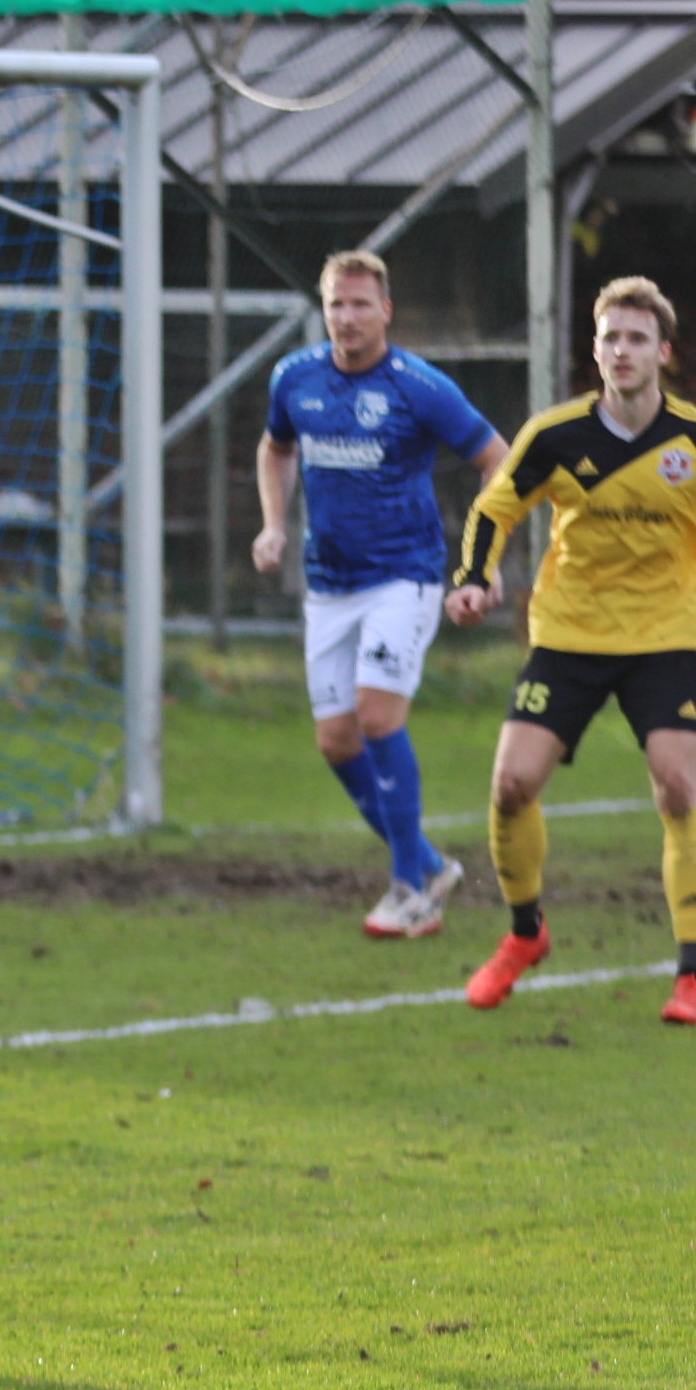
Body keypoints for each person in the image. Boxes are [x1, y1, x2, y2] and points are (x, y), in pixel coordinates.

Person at [451, 276, 696, 1026]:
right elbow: (493, 510)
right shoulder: (554, 435)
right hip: (569, 636)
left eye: (637, 338)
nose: (622, 351)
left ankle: (692, 976)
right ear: (595, 352)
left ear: (663, 352)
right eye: (610, 338)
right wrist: (473, 578)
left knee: (677, 786)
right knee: (511, 785)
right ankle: (525, 934)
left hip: (665, 639)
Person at [252, 250, 508, 938]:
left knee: (375, 716)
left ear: (386, 311)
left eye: (361, 304)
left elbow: (498, 459)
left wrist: (482, 559)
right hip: (328, 583)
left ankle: (408, 890)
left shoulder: (419, 387)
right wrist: (275, 525)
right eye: (337, 304)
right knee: (337, 741)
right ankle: (428, 865)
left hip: (404, 576)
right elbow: (276, 448)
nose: (347, 317)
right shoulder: (295, 377)